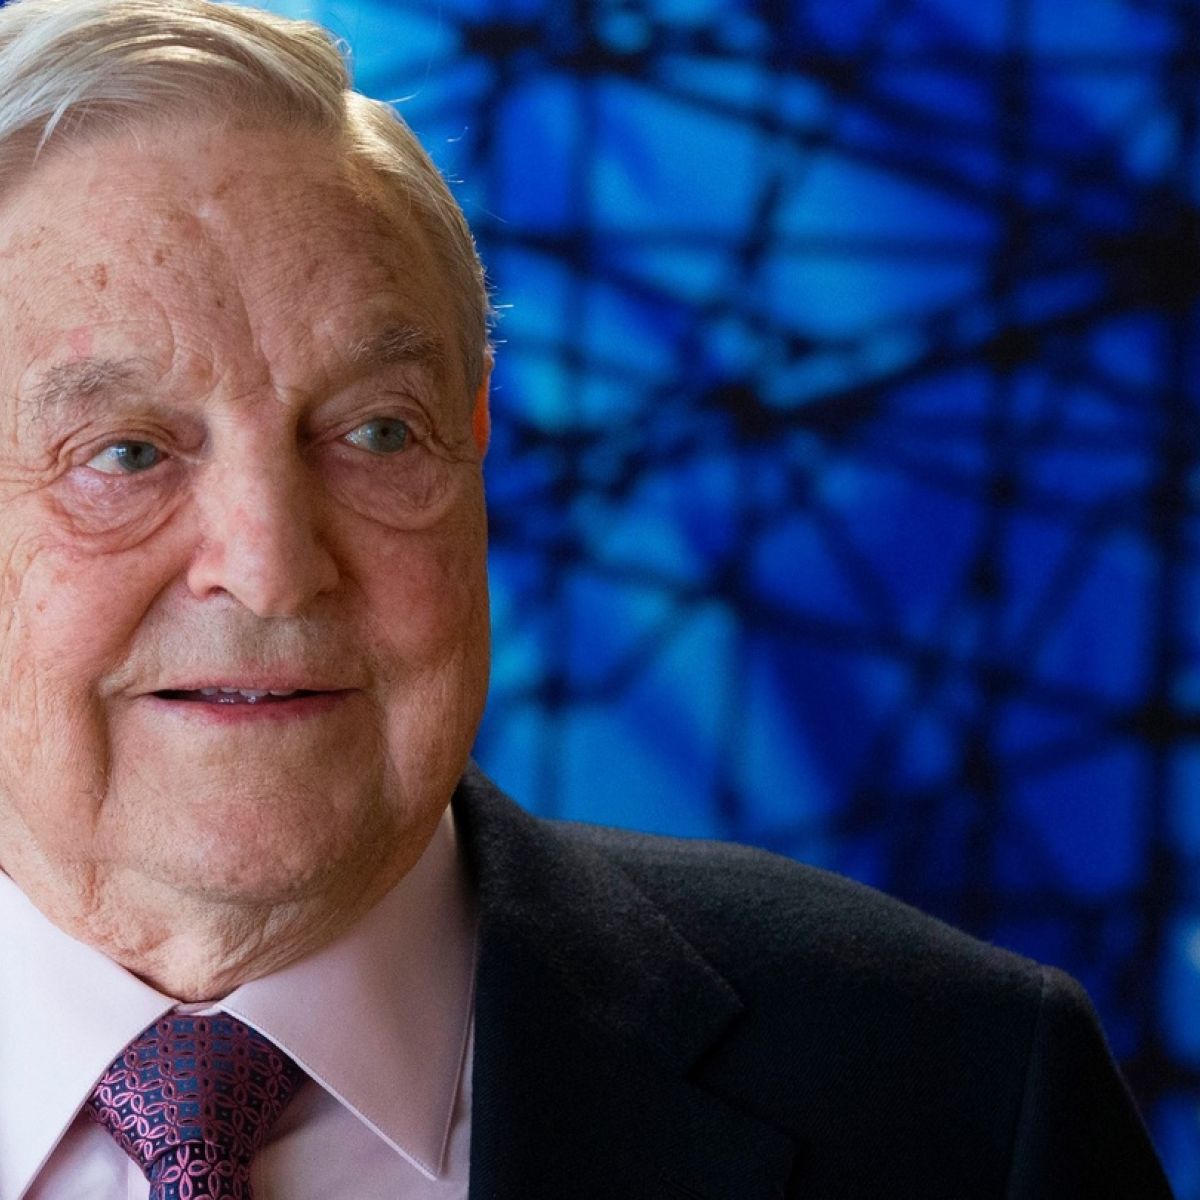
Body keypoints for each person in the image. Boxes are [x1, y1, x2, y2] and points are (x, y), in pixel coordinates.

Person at [0, 1, 1173, 1197]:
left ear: (476, 440)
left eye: (377, 432)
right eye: (126, 454)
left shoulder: (971, 1095)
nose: (272, 568)